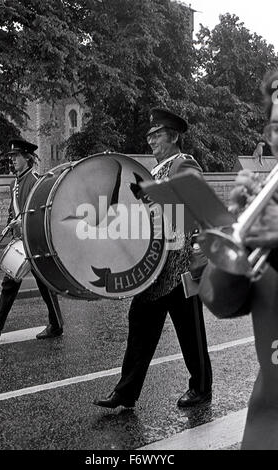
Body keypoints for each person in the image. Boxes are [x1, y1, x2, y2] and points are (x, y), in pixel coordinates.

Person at [94, 108, 212, 409]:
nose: (151, 141)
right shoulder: (156, 171)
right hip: (155, 267)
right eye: (149, 135)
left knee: (190, 330)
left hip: (180, 263)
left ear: (173, 136)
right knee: (140, 324)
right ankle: (126, 392)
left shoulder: (184, 164)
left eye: (156, 134)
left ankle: (201, 388)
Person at [198, 70, 278, 449]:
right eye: (277, 128)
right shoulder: (269, 206)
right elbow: (221, 303)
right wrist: (237, 242)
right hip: (270, 414)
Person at [0, 138, 63, 341]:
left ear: (27, 158)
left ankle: (56, 325)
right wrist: (10, 224)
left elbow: (44, 211)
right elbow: (14, 210)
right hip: (21, 243)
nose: (13, 160)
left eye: (16, 156)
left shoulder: (36, 181)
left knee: (44, 285)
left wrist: (23, 222)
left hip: (36, 241)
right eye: (11, 157)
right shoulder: (15, 183)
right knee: (9, 283)